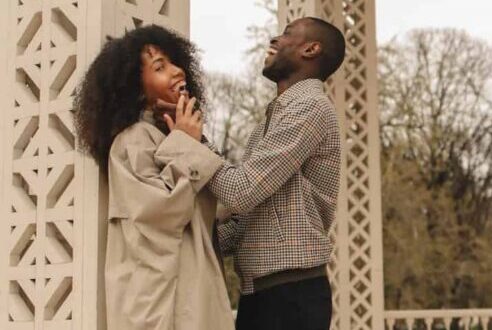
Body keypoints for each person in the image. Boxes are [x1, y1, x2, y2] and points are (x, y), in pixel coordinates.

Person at [160, 16, 345, 330]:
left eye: (287, 33)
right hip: (262, 296)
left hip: (290, 299)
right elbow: (247, 221)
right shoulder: (272, 122)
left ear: (311, 49)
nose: (274, 39)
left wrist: (190, 142)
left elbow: (240, 191)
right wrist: (183, 234)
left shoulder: (310, 108)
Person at [73, 25, 234, 330]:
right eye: (160, 67)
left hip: (188, 291)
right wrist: (186, 144)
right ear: (134, 88)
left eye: (175, 62)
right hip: (162, 304)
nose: (177, 72)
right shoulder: (133, 140)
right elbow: (161, 210)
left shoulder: (167, 136)